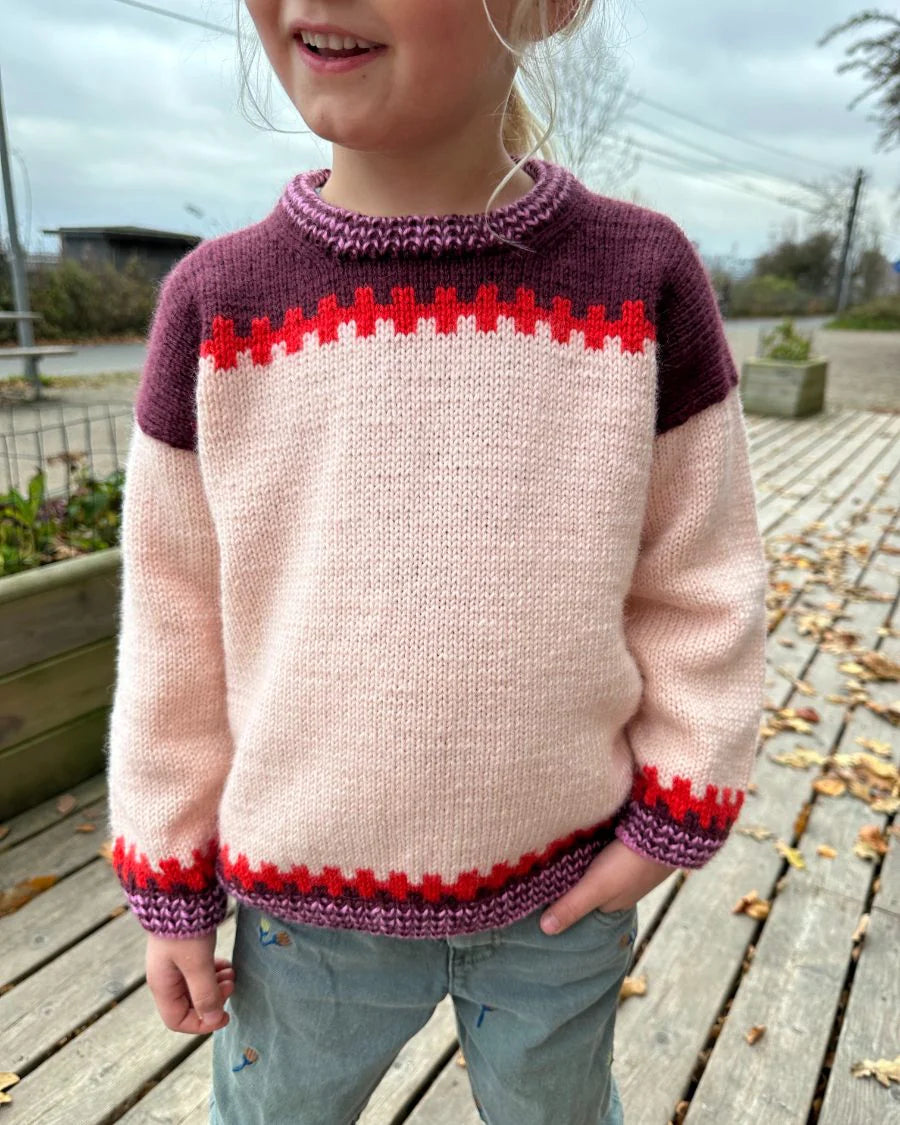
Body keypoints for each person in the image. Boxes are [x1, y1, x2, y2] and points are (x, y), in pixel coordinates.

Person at [104, 1, 769, 1123]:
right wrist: (168, 868)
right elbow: (176, 623)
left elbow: (699, 581)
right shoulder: (219, 307)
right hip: (301, 914)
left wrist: (680, 806)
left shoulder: (639, 277)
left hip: (565, 891)